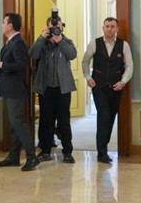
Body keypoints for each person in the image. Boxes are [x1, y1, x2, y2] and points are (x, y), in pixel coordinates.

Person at [82, 17, 134, 164]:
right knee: (103, 116)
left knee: (110, 118)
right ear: (103, 28)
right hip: (98, 87)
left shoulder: (124, 45)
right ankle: (102, 152)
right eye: (107, 26)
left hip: (116, 88)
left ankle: (103, 147)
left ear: (117, 29)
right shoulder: (94, 43)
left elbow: (129, 65)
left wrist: (123, 82)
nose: (109, 29)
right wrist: (87, 77)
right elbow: (85, 61)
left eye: (112, 26)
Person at [0, 12, 37, 170]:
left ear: (10, 26)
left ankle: (32, 157)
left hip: (15, 90)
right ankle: (13, 156)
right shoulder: (11, 42)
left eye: (4, 22)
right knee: (14, 125)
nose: (2, 25)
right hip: (8, 89)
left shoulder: (18, 43)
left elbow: (20, 65)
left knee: (18, 123)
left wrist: (0, 64)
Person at [29, 20, 77, 163]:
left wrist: (60, 40)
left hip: (63, 89)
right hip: (46, 88)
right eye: (52, 27)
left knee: (64, 121)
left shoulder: (67, 42)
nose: (55, 29)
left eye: (58, 27)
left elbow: (72, 55)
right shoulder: (42, 43)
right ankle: (45, 150)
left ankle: (67, 152)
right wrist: (42, 37)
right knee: (46, 120)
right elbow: (32, 54)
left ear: (62, 28)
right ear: (47, 28)